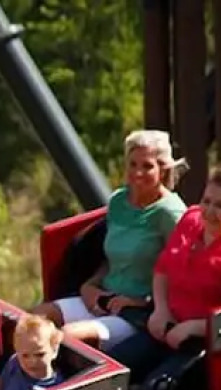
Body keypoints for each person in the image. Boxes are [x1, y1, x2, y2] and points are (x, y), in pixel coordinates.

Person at [109, 164, 221, 389]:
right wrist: (161, 309)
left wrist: (195, 328)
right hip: (167, 324)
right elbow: (163, 269)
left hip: (207, 345)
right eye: (206, 201)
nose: (208, 211)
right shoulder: (191, 221)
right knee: (114, 368)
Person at [35, 130, 187, 349]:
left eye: (147, 166)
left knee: (67, 338)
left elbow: (181, 276)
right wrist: (90, 286)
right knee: (36, 322)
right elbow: (112, 259)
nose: (137, 173)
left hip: (137, 312)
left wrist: (139, 302)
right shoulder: (119, 201)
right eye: (132, 164)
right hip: (104, 296)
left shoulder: (170, 214)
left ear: (163, 169)